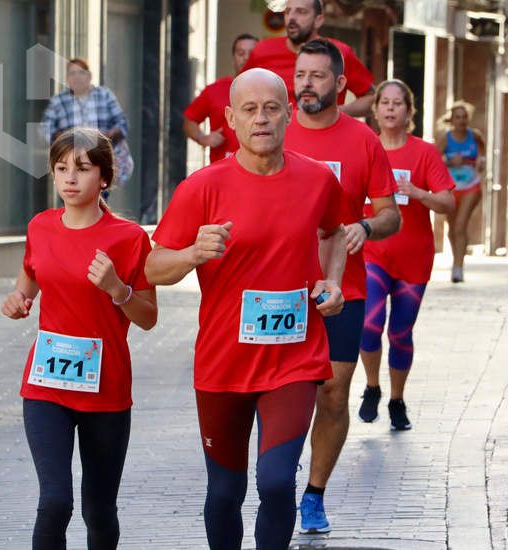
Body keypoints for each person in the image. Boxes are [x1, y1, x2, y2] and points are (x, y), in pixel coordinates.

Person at [145, 68, 347, 550]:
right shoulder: (201, 188)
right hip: (222, 363)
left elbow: (334, 231)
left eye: (272, 108)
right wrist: (193, 254)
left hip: (294, 358)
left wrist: (332, 282)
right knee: (225, 491)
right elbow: (152, 267)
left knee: (276, 482)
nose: (262, 119)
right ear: (230, 119)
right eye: (250, 110)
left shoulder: (317, 180)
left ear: (289, 115)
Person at [1, 127, 157, 549]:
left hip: (105, 390)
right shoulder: (41, 226)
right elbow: (31, 276)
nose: (70, 178)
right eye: (61, 168)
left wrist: (116, 290)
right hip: (46, 384)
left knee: (99, 511)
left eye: (83, 169)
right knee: (54, 502)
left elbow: (148, 317)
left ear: (104, 177)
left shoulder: (130, 239)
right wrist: (18, 299)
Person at [283, 39, 400, 534]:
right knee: (285, 394)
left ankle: (314, 494)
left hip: (341, 290)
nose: (305, 84)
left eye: (317, 75)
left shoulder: (362, 140)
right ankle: (274, 483)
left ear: (340, 84)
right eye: (300, 74)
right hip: (277, 291)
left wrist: (366, 227)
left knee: (332, 394)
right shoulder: (273, 130)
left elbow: (390, 213)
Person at [357, 79, 454, 430]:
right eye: (384, 102)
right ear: (376, 108)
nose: (390, 108)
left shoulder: (424, 152)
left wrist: (418, 193)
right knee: (368, 324)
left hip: (413, 257)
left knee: (400, 333)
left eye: (398, 103)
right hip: (373, 253)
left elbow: (447, 201)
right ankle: (372, 387)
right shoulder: (365, 147)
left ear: (409, 111)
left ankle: (397, 399)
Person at [242, 0, 375, 117]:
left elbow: (371, 98)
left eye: (301, 12)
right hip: (274, 140)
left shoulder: (339, 52)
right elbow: (241, 93)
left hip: (322, 138)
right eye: (288, 12)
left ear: (318, 20)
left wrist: (339, 112)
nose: (292, 18)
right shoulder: (262, 50)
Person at [41, 58, 134, 192]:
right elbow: (45, 128)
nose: (77, 77)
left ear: (90, 76)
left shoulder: (104, 95)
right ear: (67, 79)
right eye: (72, 73)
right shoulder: (59, 101)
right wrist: (65, 139)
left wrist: (106, 138)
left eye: (81, 72)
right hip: (72, 160)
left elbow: (122, 122)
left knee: (97, 196)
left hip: (100, 158)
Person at [183, 33, 259, 164]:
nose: (246, 58)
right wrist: (202, 138)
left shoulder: (275, 91)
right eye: (241, 53)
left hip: (263, 170)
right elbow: (189, 121)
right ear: (233, 58)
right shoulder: (215, 90)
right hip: (222, 171)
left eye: (251, 53)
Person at [437, 101, 485, 283]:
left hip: (471, 186)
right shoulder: (445, 139)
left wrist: (481, 161)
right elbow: (434, 161)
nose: (462, 120)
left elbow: (482, 153)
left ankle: (458, 266)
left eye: (464, 117)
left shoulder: (475, 136)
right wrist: (449, 162)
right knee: (452, 227)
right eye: (458, 117)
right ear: (452, 120)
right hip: (451, 188)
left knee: (460, 226)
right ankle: (457, 259)